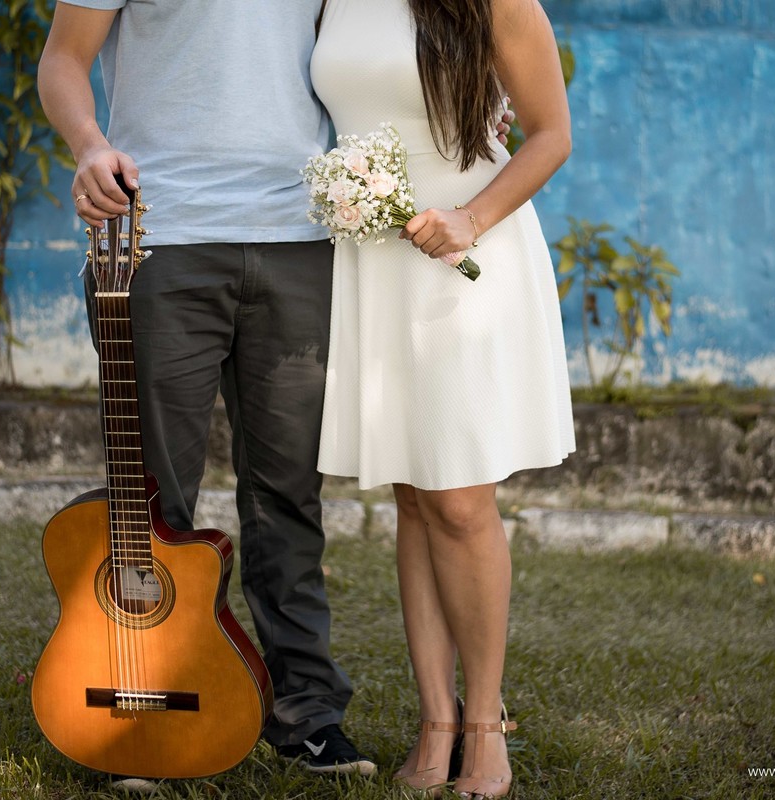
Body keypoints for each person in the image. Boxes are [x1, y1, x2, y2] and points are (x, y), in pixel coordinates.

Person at [36, 0, 374, 778]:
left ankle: (307, 713)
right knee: (149, 500)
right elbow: (61, 61)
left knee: (288, 494)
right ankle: (142, 699)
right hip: (158, 234)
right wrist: (89, 146)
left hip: (302, 239)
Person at [311, 0, 575, 798]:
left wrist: (468, 218)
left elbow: (551, 132)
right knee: (417, 498)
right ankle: (437, 720)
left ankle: (486, 724)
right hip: (375, 256)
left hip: (469, 247)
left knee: (460, 501)